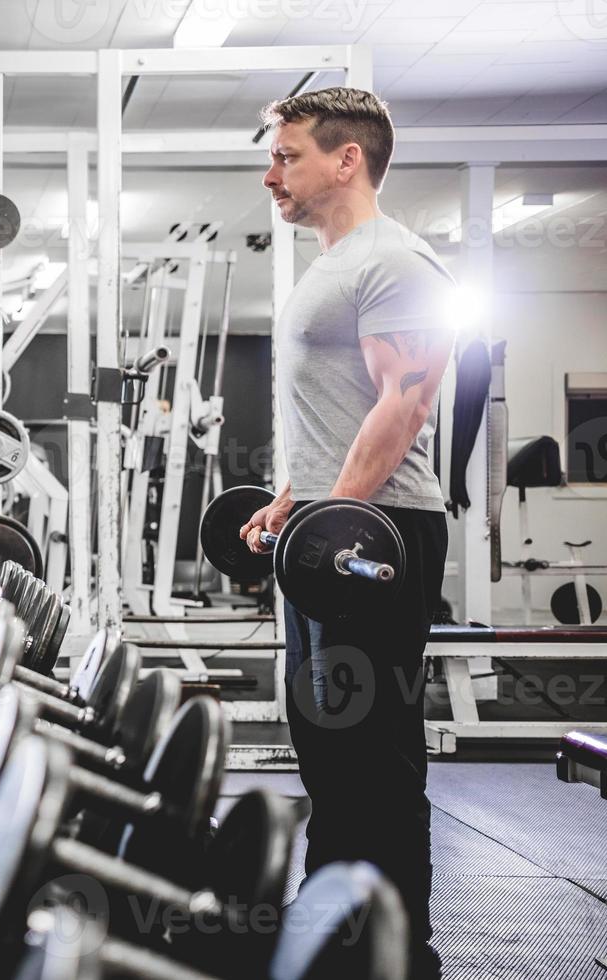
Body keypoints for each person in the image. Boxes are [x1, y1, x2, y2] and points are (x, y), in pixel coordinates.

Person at [242, 88, 454, 980]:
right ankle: (333, 918)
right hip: (341, 527)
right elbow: (343, 416)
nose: (270, 175)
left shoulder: (396, 261)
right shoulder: (331, 264)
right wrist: (293, 502)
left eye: (286, 156)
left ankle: (398, 953)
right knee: (328, 742)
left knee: (373, 751)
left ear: (345, 160)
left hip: (378, 535)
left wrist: (330, 524)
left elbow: (404, 406)